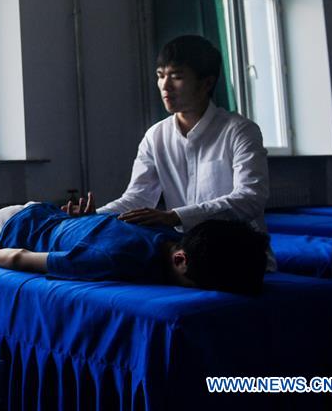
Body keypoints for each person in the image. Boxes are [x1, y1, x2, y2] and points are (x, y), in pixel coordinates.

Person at [62, 35, 274, 268]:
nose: (165, 85)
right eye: (160, 76)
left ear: (206, 83)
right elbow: (138, 198)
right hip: (187, 259)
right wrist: (96, 217)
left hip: (240, 256)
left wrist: (175, 216)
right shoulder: (156, 136)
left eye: (177, 76)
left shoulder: (239, 131)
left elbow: (250, 198)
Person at [0, 202, 269, 295]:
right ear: (180, 259)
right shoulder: (110, 259)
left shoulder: (167, 233)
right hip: (12, 225)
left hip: (50, 215)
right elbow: (18, 257)